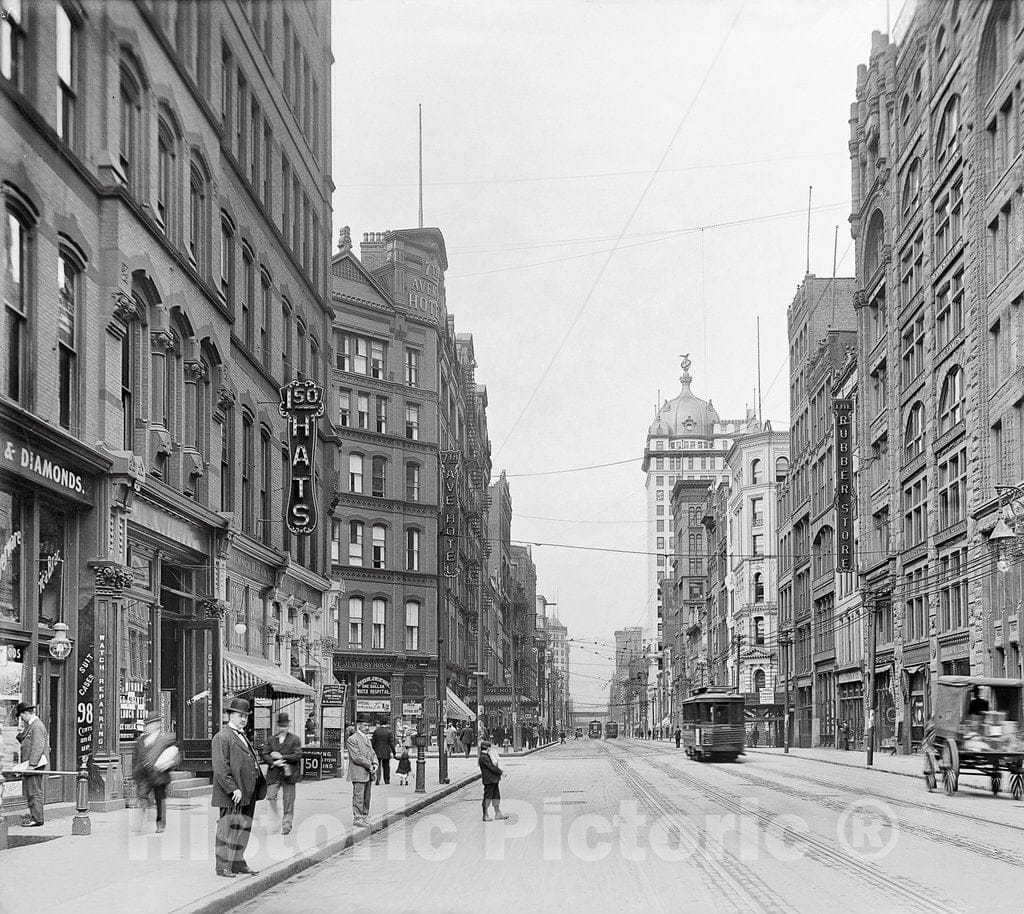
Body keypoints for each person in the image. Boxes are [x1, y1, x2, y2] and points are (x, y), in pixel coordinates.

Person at [211, 698, 266, 878]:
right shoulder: (222, 737)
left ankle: (237, 863)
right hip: (233, 793)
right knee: (227, 829)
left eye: (245, 717)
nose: (243, 719)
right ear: (230, 715)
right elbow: (221, 768)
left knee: (242, 829)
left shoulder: (240, 735)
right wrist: (232, 788)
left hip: (247, 791)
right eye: (240, 716)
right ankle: (223, 866)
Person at [132, 712, 179, 833]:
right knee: (142, 797)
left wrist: (169, 764)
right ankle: (138, 823)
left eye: (151, 724)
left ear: (157, 724)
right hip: (144, 775)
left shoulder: (166, 739)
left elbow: (175, 755)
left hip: (159, 775)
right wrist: (135, 773)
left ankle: (160, 823)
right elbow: (136, 759)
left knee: (160, 799)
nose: (148, 727)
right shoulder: (140, 741)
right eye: (147, 724)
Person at [262, 712, 302, 835]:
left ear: (288, 726)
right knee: (270, 796)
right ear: (277, 726)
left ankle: (286, 825)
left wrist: (281, 757)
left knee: (288, 800)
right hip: (274, 773)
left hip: (289, 774)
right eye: (281, 726)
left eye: (285, 726)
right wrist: (274, 763)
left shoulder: (295, 739)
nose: (283, 728)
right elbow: (264, 754)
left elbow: (298, 755)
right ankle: (274, 821)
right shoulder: (271, 740)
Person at [13, 701, 49, 827]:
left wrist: (32, 765)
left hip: (34, 764)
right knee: (32, 790)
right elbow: (27, 741)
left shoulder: (37, 726)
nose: (21, 718)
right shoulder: (32, 725)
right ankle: (35, 817)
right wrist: (20, 734)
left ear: (26, 713)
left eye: (21, 715)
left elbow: (38, 747)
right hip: (31, 764)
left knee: (34, 791)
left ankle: (37, 818)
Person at [346, 723, 377, 826]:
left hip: (368, 771)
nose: (367, 727)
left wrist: (375, 763)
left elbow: (372, 752)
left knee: (366, 796)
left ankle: (364, 816)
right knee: (358, 796)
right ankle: (358, 818)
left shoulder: (366, 738)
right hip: (359, 771)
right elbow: (356, 757)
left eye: (368, 725)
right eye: (365, 725)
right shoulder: (352, 739)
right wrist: (370, 765)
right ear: (358, 725)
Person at [478, 740, 508, 821]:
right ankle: (485, 815)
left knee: (496, 796)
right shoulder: (483, 757)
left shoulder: (486, 756)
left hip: (493, 779)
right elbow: (491, 767)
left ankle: (498, 813)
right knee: (487, 797)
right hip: (489, 780)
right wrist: (501, 772)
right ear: (487, 748)